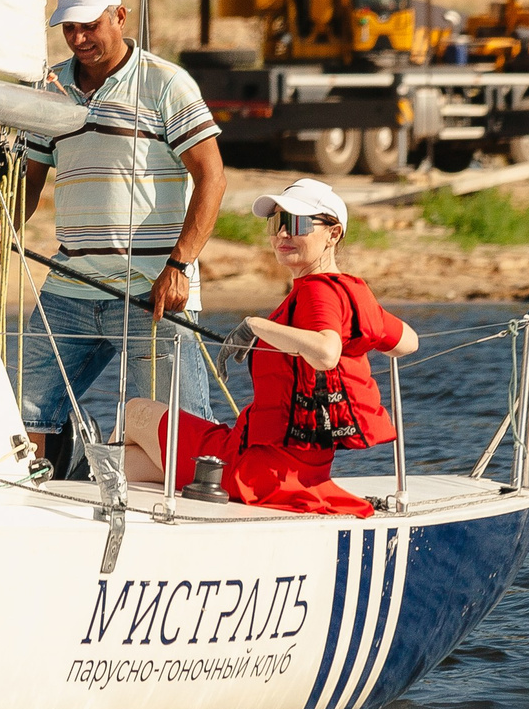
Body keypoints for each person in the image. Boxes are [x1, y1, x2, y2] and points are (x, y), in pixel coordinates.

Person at [0, 0, 223, 472]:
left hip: (151, 291)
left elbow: (213, 178)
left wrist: (179, 266)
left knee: (174, 431)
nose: (79, 38)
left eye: (90, 25)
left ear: (120, 16)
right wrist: (6, 223)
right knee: (24, 414)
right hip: (70, 288)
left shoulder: (165, 84)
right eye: (69, 27)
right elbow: (30, 180)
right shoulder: (49, 87)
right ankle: (29, 504)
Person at [123, 177, 419, 516]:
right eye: (277, 223)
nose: (282, 234)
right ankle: (95, 489)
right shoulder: (352, 292)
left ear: (333, 234)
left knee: (134, 412)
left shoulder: (315, 292)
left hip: (258, 468)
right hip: (302, 473)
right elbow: (408, 342)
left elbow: (326, 352)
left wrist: (254, 325)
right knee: (133, 463)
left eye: (296, 223)